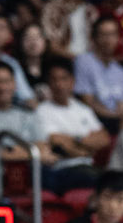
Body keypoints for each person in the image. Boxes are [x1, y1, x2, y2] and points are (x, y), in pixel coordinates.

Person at [36, 55, 111, 193]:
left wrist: (76, 141)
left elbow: (104, 138)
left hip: (87, 166)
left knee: (118, 180)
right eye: (54, 79)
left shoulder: (83, 109)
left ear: (72, 81)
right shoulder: (42, 110)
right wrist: (87, 147)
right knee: (101, 181)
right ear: (48, 83)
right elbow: (58, 143)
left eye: (64, 79)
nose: (59, 84)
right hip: (60, 170)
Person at [74, 14, 123, 127]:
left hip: (116, 125)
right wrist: (115, 116)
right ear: (94, 38)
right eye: (103, 34)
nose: (108, 39)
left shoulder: (121, 72)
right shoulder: (83, 61)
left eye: (112, 34)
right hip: (90, 122)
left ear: (118, 37)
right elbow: (87, 102)